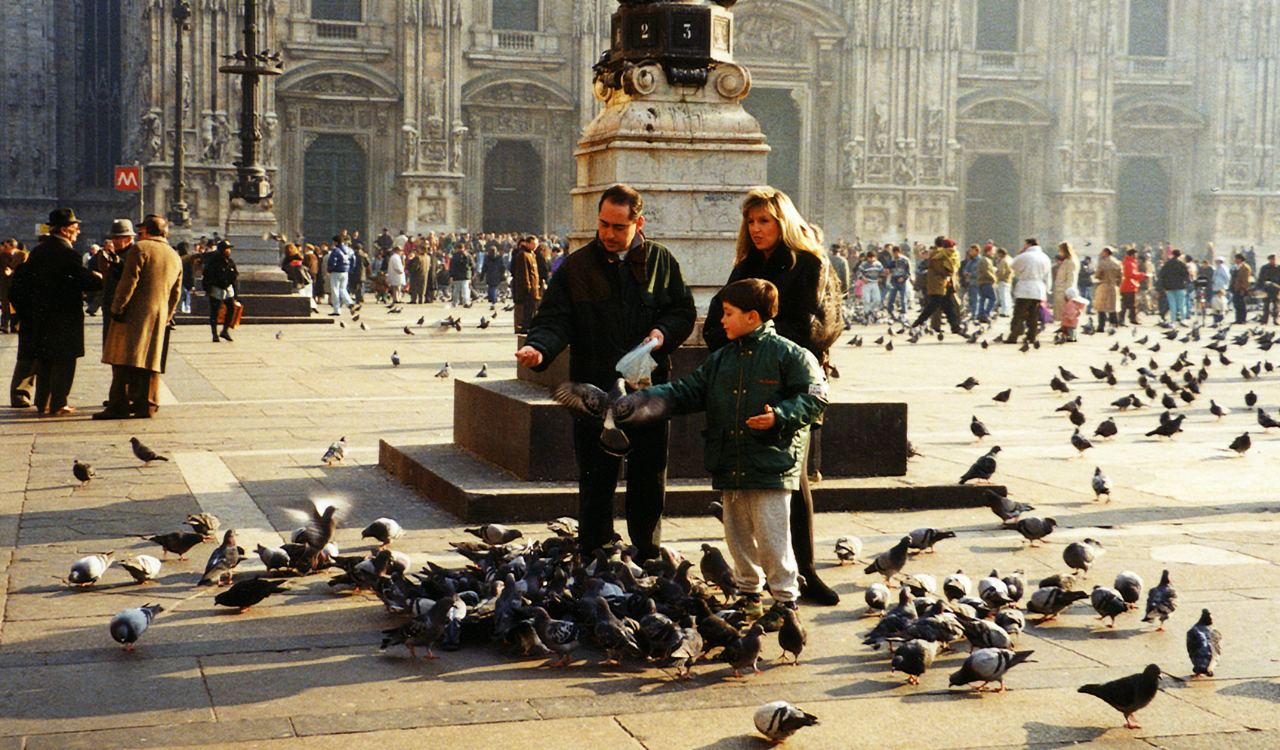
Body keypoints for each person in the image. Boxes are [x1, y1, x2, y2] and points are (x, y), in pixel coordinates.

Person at [515, 184, 696, 562]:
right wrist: (540, 348)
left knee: (649, 474)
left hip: (648, 390)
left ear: (638, 224)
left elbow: (682, 310)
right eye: (603, 224)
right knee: (596, 476)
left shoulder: (662, 261)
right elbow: (554, 319)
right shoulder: (577, 266)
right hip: (595, 390)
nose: (609, 234)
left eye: (619, 227)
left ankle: (646, 552)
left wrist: (663, 332)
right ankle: (595, 551)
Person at [635, 278, 826, 630]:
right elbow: (687, 390)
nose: (721, 320)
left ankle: (785, 601)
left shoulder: (791, 354)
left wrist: (779, 416)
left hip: (771, 464)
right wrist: (645, 400)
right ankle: (750, 595)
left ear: (752, 316)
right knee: (737, 536)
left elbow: (815, 396)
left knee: (772, 538)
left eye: (728, 313)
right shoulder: (721, 358)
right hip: (730, 461)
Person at [701, 186, 843, 605]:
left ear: (784, 222)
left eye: (765, 220)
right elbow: (715, 323)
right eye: (751, 221)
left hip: (790, 384)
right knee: (752, 480)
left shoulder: (809, 263)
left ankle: (805, 570)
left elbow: (814, 328)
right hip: (743, 382)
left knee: (793, 477)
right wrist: (736, 343)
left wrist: (758, 342)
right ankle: (759, 575)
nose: (756, 228)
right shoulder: (745, 266)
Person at [8, 208, 102, 414]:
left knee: (46, 360)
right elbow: (83, 280)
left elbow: (19, 284)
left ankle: (43, 402)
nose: (78, 231)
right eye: (75, 227)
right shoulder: (68, 254)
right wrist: (98, 278)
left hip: (40, 317)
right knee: (65, 360)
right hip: (64, 317)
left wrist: (25, 312)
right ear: (64, 230)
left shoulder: (38, 252)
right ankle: (59, 402)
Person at [95, 214, 182, 420]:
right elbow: (176, 292)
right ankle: (147, 405)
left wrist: (118, 307)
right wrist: (167, 315)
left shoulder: (140, 248)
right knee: (151, 360)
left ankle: (119, 405)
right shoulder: (174, 255)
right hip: (159, 314)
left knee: (122, 359)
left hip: (133, 313)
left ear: (147, 231)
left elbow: (129, 281)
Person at [909, 237, 962, 334]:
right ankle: (917, 323)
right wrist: (948, 272)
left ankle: (955, 327)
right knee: (933, 306)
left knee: (947, 306)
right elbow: (939, 269)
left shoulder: (940, 254)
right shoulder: (937, 255)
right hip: (937, 285)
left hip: (942, 285)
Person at [1008, 238, 1051, 345]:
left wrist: (1019, 255)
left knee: (1019, 314)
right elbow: (1047, 276)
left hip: (1025, 287)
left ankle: (1014, 336)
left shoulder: (1025, 256)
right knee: (1033, 315)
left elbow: (1013, 265)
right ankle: (1032, 336)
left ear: (1029, 244)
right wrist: (1047, 290)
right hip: (1038, 288)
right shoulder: (1045, 257)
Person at [202, 240, 239, 342]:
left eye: (229, 249)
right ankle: (214, 333)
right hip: (216, 288)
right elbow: (207, 276)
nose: (229, 251)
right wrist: (207, 290)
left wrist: (236, 294)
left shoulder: (230, 261)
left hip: (228, 288)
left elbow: (235, 278)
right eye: (227, 249)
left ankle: (225, 330)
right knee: (215, 311)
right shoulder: (213, 261)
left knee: (231, 308)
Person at [509, 235, 541, 333]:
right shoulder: (523, 255)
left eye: (536, 244)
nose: (535, 246)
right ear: (527, 243)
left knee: (533, 309)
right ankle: (525, 327)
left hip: (534, 288)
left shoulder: (532, 255)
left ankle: (530, 326)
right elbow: (524, 273)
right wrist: (527, 286)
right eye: (533, 244)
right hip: (529, 289)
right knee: (528, 310)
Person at [324, 234, 356, 315]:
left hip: (336, 272)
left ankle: (336, 309)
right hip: (345, 272)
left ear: (335, 242)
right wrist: (349, 269)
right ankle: (350, 303)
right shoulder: (350, 250)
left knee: (335, 290)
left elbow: (332, 262)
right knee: (343, 289)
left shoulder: (335, 251)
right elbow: (353, 260)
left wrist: (329, 270)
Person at [1092, 246, 1122, 330]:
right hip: (1113, 286)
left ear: (1106, 253)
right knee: (1113, 307)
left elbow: (1097, 275)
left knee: (1101, 307)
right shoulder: (1117, 263)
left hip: (1103, 285)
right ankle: (1113, 325)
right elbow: (1120, 276)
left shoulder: (1102, 263)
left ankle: (1101, 326)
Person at [1158, 249, 1190, 324]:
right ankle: (1182, 319)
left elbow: (1162, 275)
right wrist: (1186, 283)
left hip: (1169, 287)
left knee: (1172, 304)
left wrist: (1164, 286)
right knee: (1181, 304)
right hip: (1180, 286)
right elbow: (1186, 275)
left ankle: (1173, 319)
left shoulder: (1167, 264)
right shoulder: (1181, 264)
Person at [1051, 242, 1080, 321]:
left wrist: (1069, 293)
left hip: (1064, 291)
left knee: (1065, 313)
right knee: (1062, 313)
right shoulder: (1066, 261)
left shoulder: (1070, 262)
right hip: (1060, 290)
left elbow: (1071, 278)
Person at [883, 244, 911, 318]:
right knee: (891, 297)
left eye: (896, 253)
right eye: (894, 253)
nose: (895, 254)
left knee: (903, 298)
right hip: (894, 280)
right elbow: (888, 269)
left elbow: (908, 272)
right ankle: (890, 312)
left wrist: (903, 278)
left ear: (900, 252)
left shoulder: (905, 261)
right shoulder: (892, 261)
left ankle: (904, 312)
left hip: (902, 280)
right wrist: (887, 271)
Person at [1120, 247, 1145, 325]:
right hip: (1130, 285)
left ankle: (1122, 319)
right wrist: (1142, 275)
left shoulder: (1126, 262)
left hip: (1126, 285)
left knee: (1125, 304)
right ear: (1132, 255)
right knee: (1131, 304)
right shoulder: (1130, 263)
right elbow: (1130, 274)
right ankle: (1131, 318)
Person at [973, 245, 996, 323]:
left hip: (981, 281)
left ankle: (980, 315)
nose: (994, 253)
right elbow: (987, 272)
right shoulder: (985, 260)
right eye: (993, 251)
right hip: (986, 281)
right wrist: (994, 278)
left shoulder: (984, 259)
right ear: (988, 251)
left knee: (982, 299)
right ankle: (986, 314)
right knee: (993, 298)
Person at [857, 249, 884, 316]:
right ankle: (866, 313)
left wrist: (882, 276)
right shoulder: (864, 265)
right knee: (866, 300)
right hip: (867, 284)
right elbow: (858, 273)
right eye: (870, 258)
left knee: (877, 299)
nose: (871, 259)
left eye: (873, 257)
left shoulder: (878, 264)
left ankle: (871, 310)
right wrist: (863, 278)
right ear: (867, 257)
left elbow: (882, 272)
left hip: (875, 283)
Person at [1256, 254, 1280, 324]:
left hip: (1276, 288)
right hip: (1267, 288)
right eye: (1271, 259)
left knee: (1276, 305)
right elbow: (1260, 278)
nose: (1273, 260)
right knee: (1266, 305)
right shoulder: (1264, 268)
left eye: (1274, 259)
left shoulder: (1278, 268)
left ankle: (1276, 320)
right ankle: (1264, 320)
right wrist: (1260, 287)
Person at [1231, 253, 1253, 325]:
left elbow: (1245, 280)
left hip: (1241, 289)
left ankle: (1242, 319)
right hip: (1235, 288)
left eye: (1237, 259)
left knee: (1241, 305)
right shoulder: (1236, 267)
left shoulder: (1245, 268)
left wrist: (1243, 289)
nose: (1235, 260)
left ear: (1240, 259)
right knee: (1236, 304)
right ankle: (1238, 319)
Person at [1210, 256, 1230, 325]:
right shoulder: (1217, 268)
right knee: (1215, 302)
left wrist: (1226, 285)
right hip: (1216, 286)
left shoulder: (1223, 268)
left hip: (1221, 286)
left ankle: (1220, 318)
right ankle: (1216, 319)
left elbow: (1227, 277)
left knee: (1221, 302)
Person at [994, 246, 1013, 317]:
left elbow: (1001, 272)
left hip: (1003, 280)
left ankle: (1004, 311)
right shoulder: (1010, 259)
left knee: (1003, 297)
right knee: (1008, 296)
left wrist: (996, 276)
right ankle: (1008, 311)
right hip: (1009, 280)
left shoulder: (1003, 261)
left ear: (1000, 254)